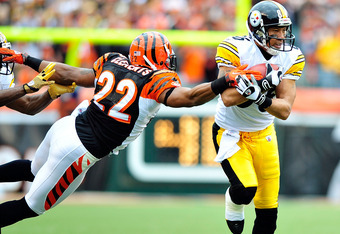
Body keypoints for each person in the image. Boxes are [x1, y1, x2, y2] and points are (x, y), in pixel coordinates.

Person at [0, 31, 262, 230]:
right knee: (31, 206)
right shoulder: (154, 81)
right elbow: (191, 97)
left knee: (33, 170)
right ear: (155, 56)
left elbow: (68, 72)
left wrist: (26, 59)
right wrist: (224, 80)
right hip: (79, 150)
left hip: (66, 126)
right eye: (165, 55)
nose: (169, 61)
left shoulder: (113, 61)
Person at [213, 1, 305, 233]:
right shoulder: (234, 48)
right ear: (257, 30)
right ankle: (233, 201)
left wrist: (260, 96)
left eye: (284, 30)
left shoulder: (291, 56)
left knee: (268, 214)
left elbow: (284, 110)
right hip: (230, 131)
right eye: (275, 30)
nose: (281, 36)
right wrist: (261, 84)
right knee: (245, 191)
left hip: (264, 133)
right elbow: (227, 97)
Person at [0, 32, 76, 114]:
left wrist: (50, 94)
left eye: (4, 53)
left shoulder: (3, 72)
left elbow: (27, 105)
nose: (3, 58)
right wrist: (26, 88)